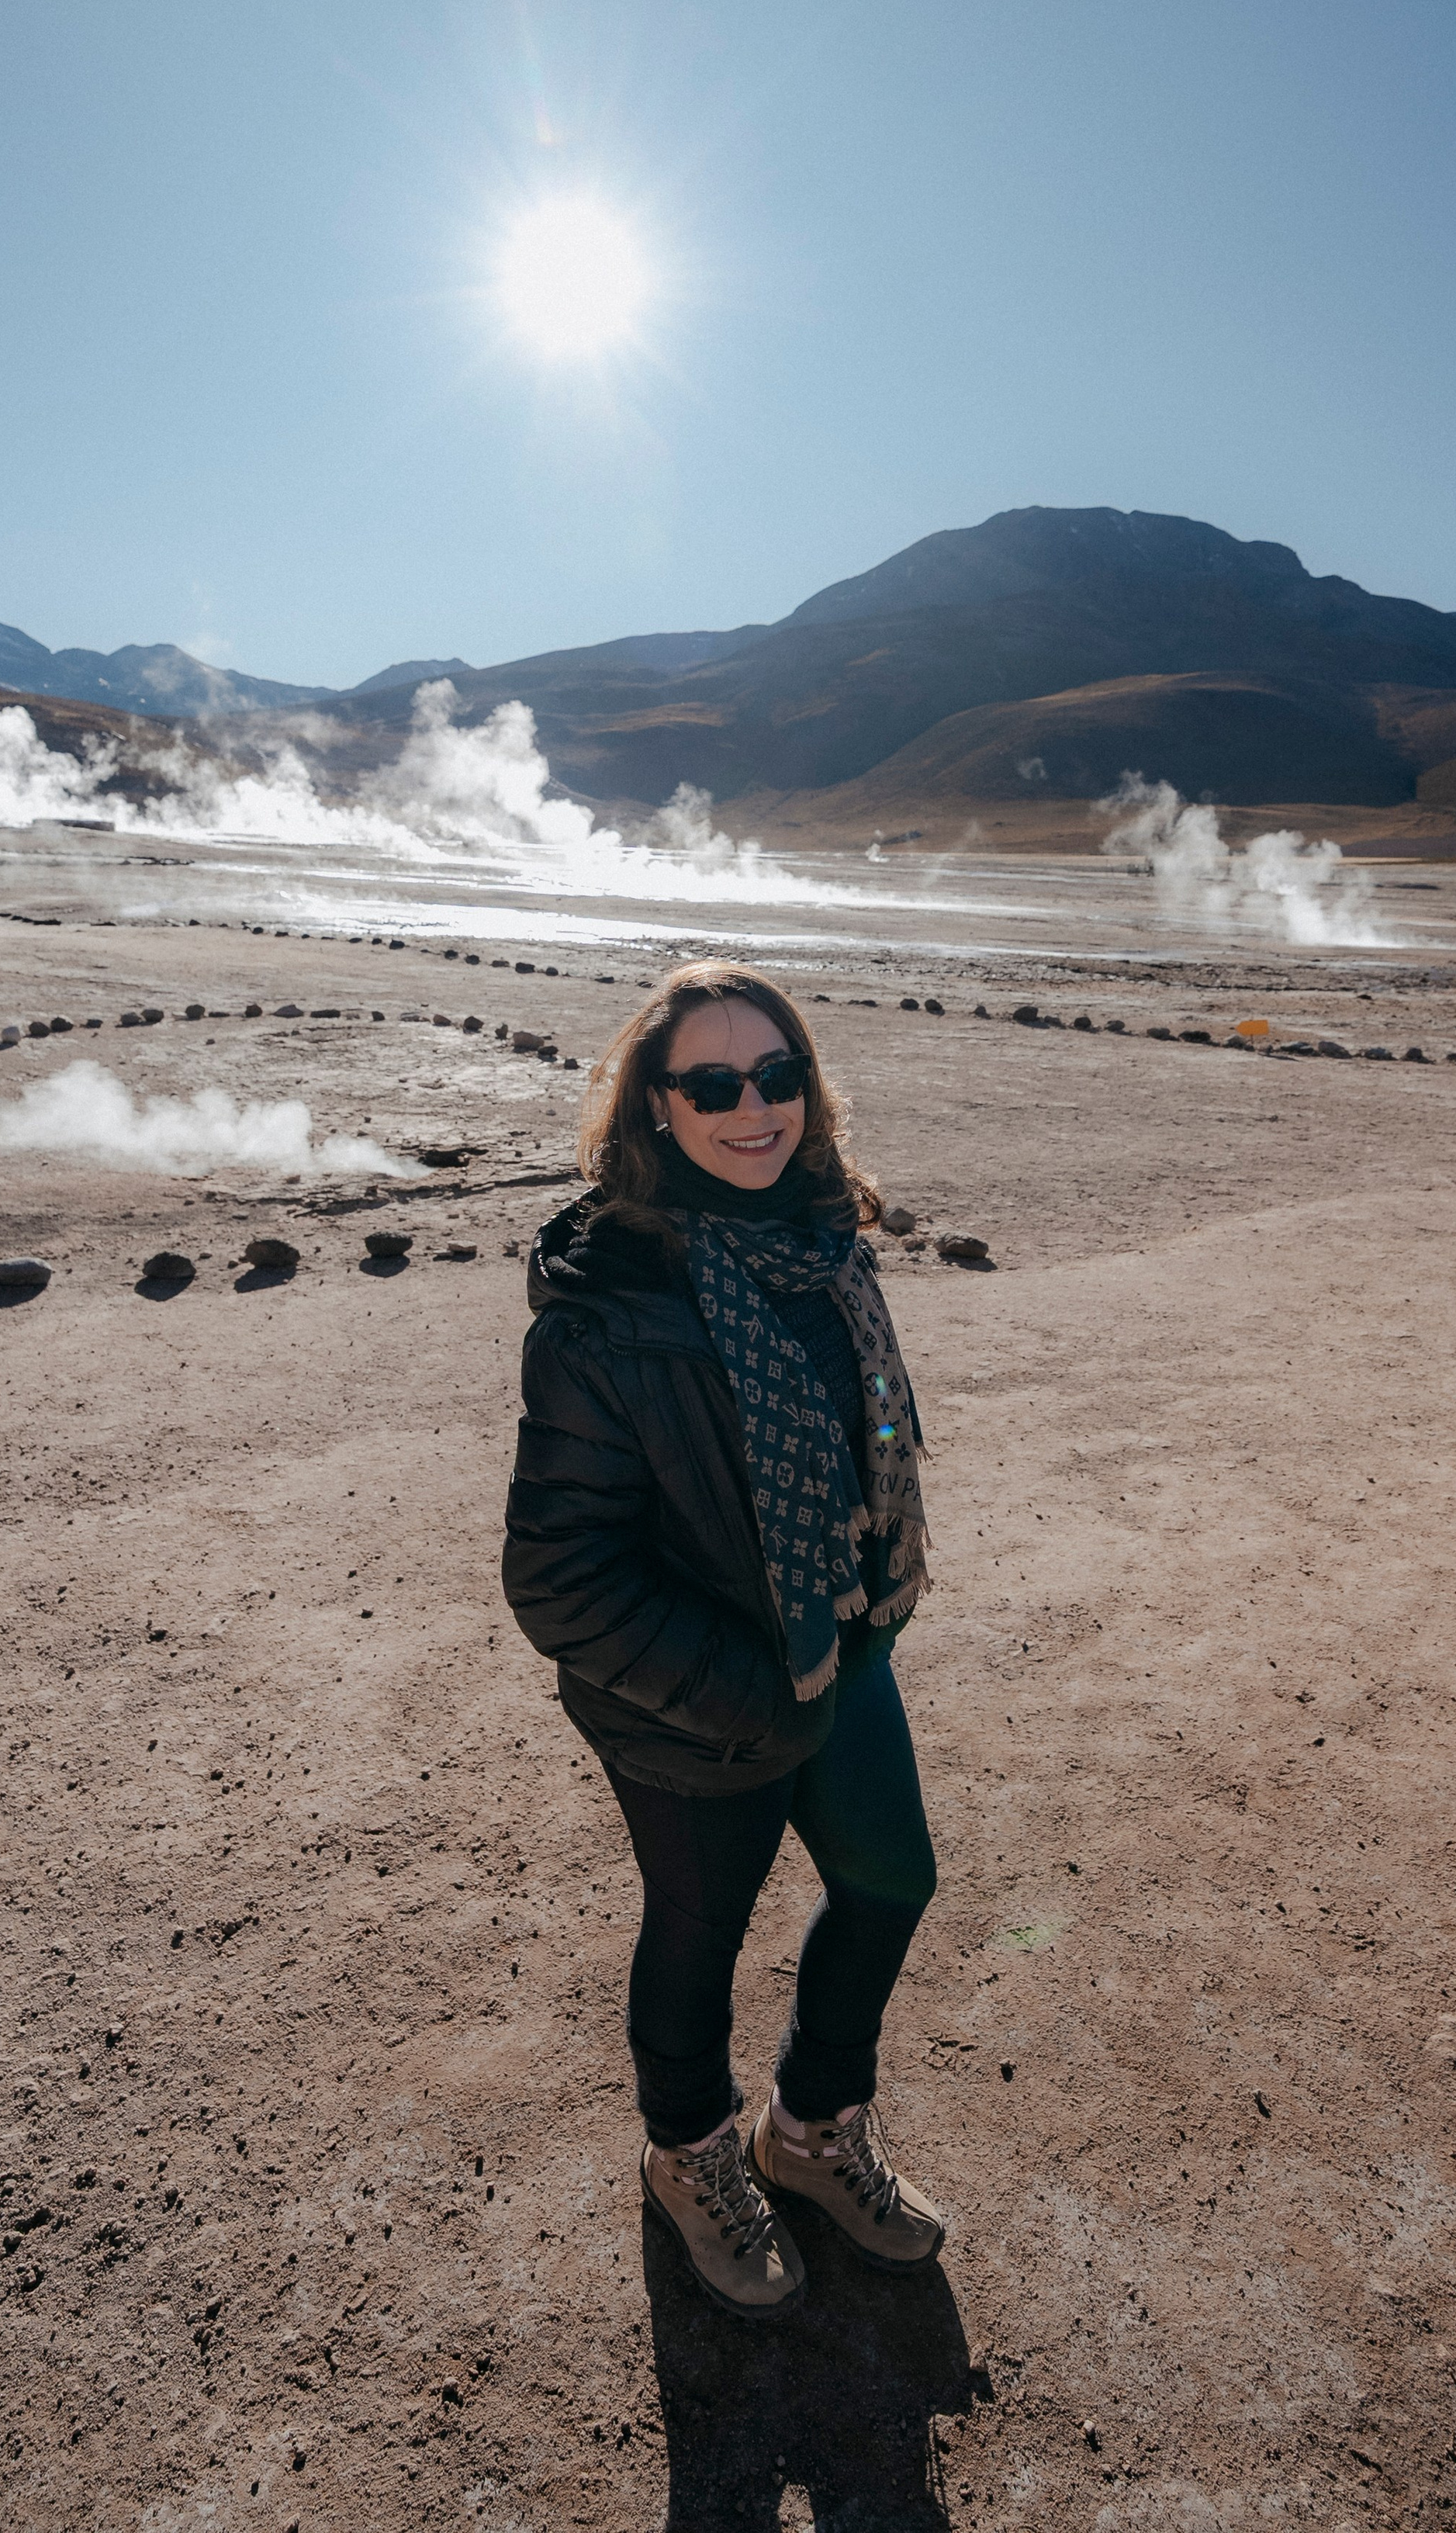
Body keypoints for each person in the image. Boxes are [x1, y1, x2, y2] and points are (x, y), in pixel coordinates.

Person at [502, 960, 943, 2320]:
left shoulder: (824, 1242)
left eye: (778, 1076)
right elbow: (557, 1576)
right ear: (656, 1106)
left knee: (891, 1883)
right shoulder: (613, 1304)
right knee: (698, 1932)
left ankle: (810, 2130)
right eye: (712, 1084)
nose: (753, 1108)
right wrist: (749, 1694)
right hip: (697, 1699)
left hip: (841, 1649)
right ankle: (691, 2155)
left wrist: (864, 1595)